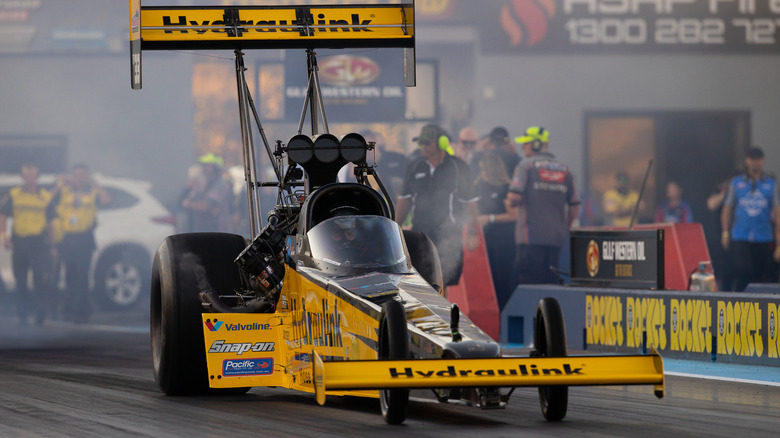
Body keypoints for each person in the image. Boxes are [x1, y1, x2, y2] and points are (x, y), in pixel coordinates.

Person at [396, 124, 480, 296]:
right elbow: (403, 201)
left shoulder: (459, 168)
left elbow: (470, 204)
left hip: (448, 234)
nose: (423, 147)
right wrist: (394, 228)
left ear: (442, 143)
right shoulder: (414, 166)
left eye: (427, 143)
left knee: (443, 279)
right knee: (420, 279)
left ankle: (442, 317)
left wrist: (472, 232)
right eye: (421, 143)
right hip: (420, 232)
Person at [507, 126, 579, 287]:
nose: (522, 147)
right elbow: (574, 206)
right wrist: (564, 227)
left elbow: (514, 197)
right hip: (556, 239)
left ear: (537, 144)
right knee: (551, 284)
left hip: (530, 238)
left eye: (526, 143)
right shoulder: (566, 170)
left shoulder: (525, 166)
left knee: (529, 286)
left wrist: (509, 200)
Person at [51, 164, 111, 323]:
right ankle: (69, 308)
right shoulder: (65, 191)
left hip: (84, 238)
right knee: (69, 275)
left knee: (82, 275)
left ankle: (83, 309)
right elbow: (47, 200)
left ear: (87, 177)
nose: (79, 179)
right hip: (67, 238)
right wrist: (59, 184)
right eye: (76, 175)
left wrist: (96, 184)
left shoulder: (92, 192)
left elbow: (106, 200)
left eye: (82, 176)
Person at [0, 163, 56, 324]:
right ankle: (22, 314)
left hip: (39, 243)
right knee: (21, 279)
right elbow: (2, 215)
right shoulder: (14, 194)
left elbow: (51, 222)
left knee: (40, 279)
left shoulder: (45, 196)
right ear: (22, 177)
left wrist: (52, 245)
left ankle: (40, 312)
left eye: (32, 175)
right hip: (20, 242)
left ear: (37, 177)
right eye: (26, 175)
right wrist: (4, 235)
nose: (29, 179)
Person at [720, 147, 780, 291]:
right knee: (742, 272)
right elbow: (727, 209)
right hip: (741, 235)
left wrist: (779, 245)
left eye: (758, 159)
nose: (755, 163)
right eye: (752, 159)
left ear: (762, 160)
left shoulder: (770, 184)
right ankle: (739, 305)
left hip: (764, 236)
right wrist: (725, 233)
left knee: (763, 276)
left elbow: (778, 214)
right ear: (747, 161)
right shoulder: (736, 183)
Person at [474, 151, 517, 311]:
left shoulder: (506, 188)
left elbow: (514, 215)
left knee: (503, 280)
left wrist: (490, 218)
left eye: (484, 169)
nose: (482, 173)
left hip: (503, 241)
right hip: (485, 242)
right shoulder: (478, 187)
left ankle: (505, 313)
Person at [181, 153, 233, 232]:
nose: (203, 168)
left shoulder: (221, 184)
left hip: (216, 232)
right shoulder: (206, 183)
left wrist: (188, 204)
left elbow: (205, 206)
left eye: (206, 165)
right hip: (202, 231)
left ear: (215, 167)